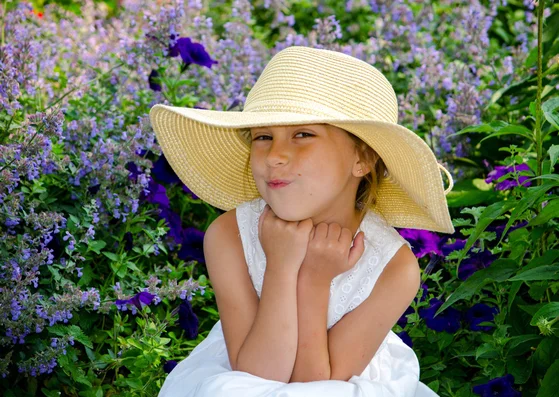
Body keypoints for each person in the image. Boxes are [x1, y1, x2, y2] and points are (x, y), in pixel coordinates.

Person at [149, 45, 455, 397]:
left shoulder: (394, 267)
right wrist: (280, 266)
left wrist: (313, 280)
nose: (275, 156)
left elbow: (317, 388)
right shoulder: (229, 235)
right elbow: (255, 378)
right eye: (263, 137)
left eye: (303, 134)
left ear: (363, 158)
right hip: (249, 363)